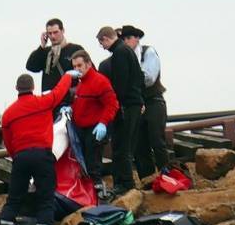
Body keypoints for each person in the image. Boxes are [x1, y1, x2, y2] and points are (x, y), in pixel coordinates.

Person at [0, 69, 81, 225]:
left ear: (16, 88)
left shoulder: (8, 114)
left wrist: (16, 157)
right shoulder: (43, 102)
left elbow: (7, 140)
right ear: (33, 87)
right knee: (45, 198)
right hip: (42, 156)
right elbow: (59, 91)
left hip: (20, 156)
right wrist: (67, 76)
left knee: (14, 199)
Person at [96, 26, 144, 196]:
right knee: (124, 145)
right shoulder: (126, 51)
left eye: (101, 43)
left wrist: (116, 104)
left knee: (121, 146)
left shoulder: (119, 54)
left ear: (106, 39)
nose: (102, 47)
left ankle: (125, 184)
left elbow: (120, 83)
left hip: (126, 106)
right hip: (133, 104)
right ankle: (125, 182)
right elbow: (138, 78)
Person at [66, 50, 119, 200]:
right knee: (84, 163)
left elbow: (112, 104)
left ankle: (99, 196)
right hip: (81, 128)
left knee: (93, 164)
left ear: (88, 64)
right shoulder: (81, 84)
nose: (77, 69)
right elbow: (82, 103)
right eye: (74, 66)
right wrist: (71, 108)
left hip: (94, 129)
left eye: (80, 65)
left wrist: (103, 123)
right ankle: (89, 195)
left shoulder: (100, 81)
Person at [120, 25, 169, 178]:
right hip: (136, 104)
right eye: (124, 39)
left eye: (129, 38)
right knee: (140, 146)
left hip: (153, 101)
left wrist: (130, 76)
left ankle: (166, 175)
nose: (126, 42)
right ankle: (147, 179)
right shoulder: (124, 57)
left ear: (137, 39)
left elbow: (149, 78)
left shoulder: (148, 52)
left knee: (157, 140)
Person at [25, 18, 84, 114]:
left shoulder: (75, 49)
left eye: (55, 32)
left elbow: (89, 72)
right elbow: (31, 66)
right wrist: (42, 46)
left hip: (69, 102)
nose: (53, 36)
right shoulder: (45, 52)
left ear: (63, 31)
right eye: (49, 33)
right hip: (50, 104)